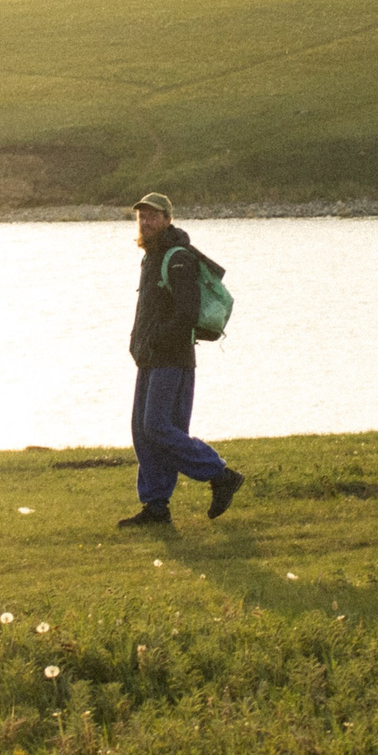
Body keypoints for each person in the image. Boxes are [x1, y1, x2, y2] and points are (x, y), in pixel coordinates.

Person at [119, 193, 242, 528]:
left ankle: (220, 474)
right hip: (150, 358)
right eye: (141, 217)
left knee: (157, 427)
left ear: (168, 219)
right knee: (144, 433)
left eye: (153, 216)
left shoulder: (177, 258)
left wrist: (157, 338)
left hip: (171, 359)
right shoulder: (153, 256)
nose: (145, 222)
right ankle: (156, 506)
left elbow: (187, 312)